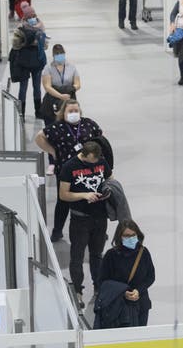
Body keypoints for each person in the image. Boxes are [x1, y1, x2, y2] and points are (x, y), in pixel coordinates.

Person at [35, 100, 104, 242]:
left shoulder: (88, 124)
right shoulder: (56, 127)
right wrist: (53, 152)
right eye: (70, 111)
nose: (74, 114)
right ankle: (57, 230)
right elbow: (39, 137)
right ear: (63, 113)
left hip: (88, 170)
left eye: (76, 111)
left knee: (93, 199)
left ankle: (98, 227)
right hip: (65, 170)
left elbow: (100, 139)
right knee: (63, 201)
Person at [59, 141, 113, 308]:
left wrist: (108, 190)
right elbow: (63, 195)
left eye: (96, 161)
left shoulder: (101, 161)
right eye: (91, 162)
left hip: (100, 217)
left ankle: (98, 287)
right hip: (80, 219)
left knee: (97, 255)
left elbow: (110, 179)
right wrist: (84, 195)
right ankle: (77, 291)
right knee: (77, 256)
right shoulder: (69, 167)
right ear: (83, 155)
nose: (94, 164)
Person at [96, 220, 155, 328]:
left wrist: (138, 290)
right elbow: (102, 281)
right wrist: (122, 293)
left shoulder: (143, 252)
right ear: (120, 237)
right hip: (119, 307)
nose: (131, 238)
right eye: (127, 236)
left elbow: (150, 276)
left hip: (141, 304)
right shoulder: (111, 255)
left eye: (133, 235)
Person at [41, 44, 81, 174]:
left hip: (68, 102)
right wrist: (60, 96)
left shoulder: (71, 67)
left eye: (62, 54)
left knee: (71, 131)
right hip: (52, 101)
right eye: (57, 55)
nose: (60, 57)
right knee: (52, 134)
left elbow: (77, 83)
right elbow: (47, 86)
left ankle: (71, 159)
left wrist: (71, 90)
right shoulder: (48, 69)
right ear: (53, 56)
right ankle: (52, 162)